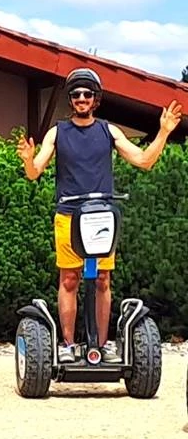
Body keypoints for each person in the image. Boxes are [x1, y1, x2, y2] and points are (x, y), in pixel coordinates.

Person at [17, 68, 182, 364]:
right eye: (77, 94)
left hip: (101, 218)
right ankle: (68, 345)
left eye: (87, 94)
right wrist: (29, 160)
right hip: (68, 216)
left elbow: (144, 161)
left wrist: (164, 132)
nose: (81, 98)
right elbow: (34, 173)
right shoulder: (58, 132)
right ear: (71, 100)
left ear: (95, 100)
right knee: (69, 279)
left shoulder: (109, 131)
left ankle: (102, 345)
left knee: (103, 279)